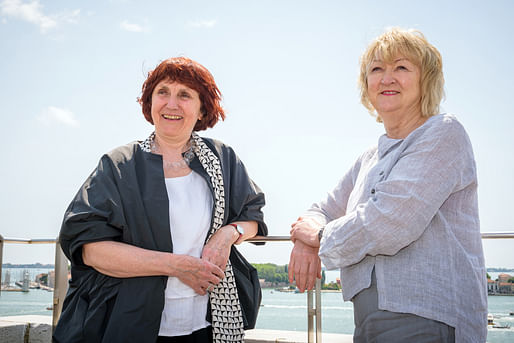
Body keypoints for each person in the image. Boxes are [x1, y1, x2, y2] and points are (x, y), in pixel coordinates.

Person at [288, 28, 487, 343]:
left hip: (426, 317)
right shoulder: (370, 156)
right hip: (368, 319)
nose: (387, 78)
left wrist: (320, 237)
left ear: (426, 81)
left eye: (402, 68)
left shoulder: (443, 133)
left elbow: (391, 222)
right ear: (367, 86)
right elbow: (322, 209)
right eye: (377, 69)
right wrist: (305, 241)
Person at [53, 57, 267, 343]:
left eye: (185, 95)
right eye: (162, 92)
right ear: (150, 103)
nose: (171, 104)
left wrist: (229, 234)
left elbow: (252, 217)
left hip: (207, 324)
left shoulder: (222, 158)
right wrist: (175, 265)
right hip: (130, 322)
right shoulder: (119, 165)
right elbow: (90, 250)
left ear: (202, 108)